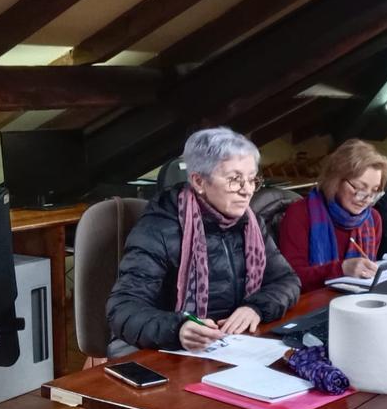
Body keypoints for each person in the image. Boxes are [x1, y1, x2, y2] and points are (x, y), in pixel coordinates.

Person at [108, 128, 300, 354]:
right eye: (234, 180)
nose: (247, 191)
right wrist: (178, 328)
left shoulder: (251, 222)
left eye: (251, 180)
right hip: (169, 351)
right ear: (198, 181)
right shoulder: (159, 228)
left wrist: (256, 307)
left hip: (233, 345)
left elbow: (287, 280)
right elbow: (123, 309)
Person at [279, 140, 387, 292]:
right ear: (335, 180)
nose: (367, 199)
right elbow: (290, 279)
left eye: (374, 191)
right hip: (309, 306)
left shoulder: (373, 219)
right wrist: (341, 268)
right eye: (358, 188)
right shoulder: (299, 213)